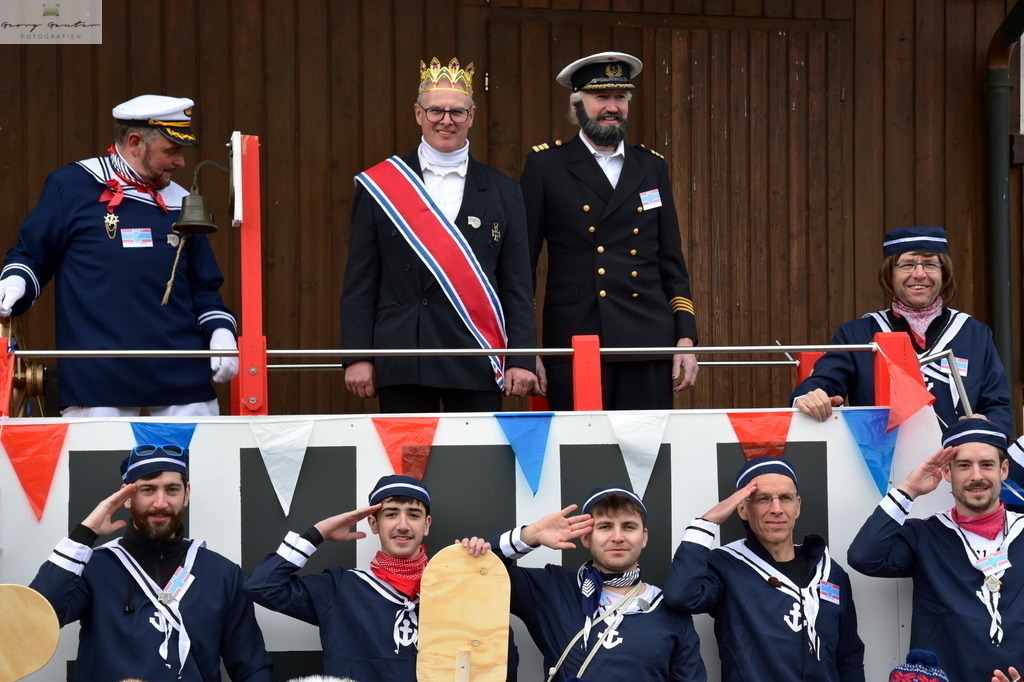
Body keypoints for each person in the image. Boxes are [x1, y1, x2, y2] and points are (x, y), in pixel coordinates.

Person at [0, 94, 238, 417]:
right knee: (98, 453)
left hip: (180, 378)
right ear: (135, 143)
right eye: (171, 151)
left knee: (199, 452)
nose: (181, 162)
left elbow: (204, 288)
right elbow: (32, 254)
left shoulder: (184, 202)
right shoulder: (71, 186)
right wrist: (16, 280)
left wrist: (221, 331)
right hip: (98, 380)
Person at [340, 57, 537, 412]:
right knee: (407, 451)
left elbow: (517, 285)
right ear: (418, 114)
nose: (446, 120)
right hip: (404, 355)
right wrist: (358, 355)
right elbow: (360, 280)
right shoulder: (380, 186)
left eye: (457, 112)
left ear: (471, 117)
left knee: (478, 451)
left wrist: (520, 357)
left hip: (477, 354)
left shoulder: (504, 191)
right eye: (435, 111)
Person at [520, 52, 699, 410]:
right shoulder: (546, 165)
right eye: (601, 97)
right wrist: (525, 348)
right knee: (579, 442)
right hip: (576, 335)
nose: (612, 107)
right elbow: (520, 265)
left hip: (647, 336)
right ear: (576, 105)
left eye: (620, 97)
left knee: (646, 440)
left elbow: (671, 261)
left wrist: (685, 336)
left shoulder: (651, 166)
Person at [29, 445, 272, 680]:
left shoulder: (222, 574)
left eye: (172, 490)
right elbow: (35, 621)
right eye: (148, 490)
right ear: (127, 497)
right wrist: (84, 534)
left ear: (186, 494)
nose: (160, 503)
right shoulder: (92, 568)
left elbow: (252, 668)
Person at [462, 486, 707, 681]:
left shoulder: (670, 610)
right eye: (605, 527)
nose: (618, 537)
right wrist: (531, 535)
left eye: (629, 527)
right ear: (586, 537)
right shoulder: (551, 589)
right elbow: (470, 576)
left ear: (644, 538)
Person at [792, 226, 1011, 437]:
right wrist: (810, 397)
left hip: (958, 459)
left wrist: (986, 429)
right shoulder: (856, 335)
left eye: (930, 264)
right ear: (890, 273)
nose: (919, 274)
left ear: (944, 273)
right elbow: (822, 384)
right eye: (907, 265)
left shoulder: (974, 334)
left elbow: (998, 407)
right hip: (880, 460)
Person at [848, 418, 1024, 681]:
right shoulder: (925, 535)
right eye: (964, 465)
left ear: (1004, 469)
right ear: (947, 473)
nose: (976, 476)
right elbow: (863, 557)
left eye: (987, 464)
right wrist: (909, 490)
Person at [664, 457, 864, 681]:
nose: (776, 509)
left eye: (785, 498)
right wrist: (706, 523)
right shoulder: (726, 565)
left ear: (798, 506)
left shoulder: (830, 572)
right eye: (763, 499)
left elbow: (849, 656)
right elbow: (680, 596)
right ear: (743, 509)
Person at [245, 475, 433, 680]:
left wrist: (462, 569)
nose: (403, 525)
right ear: (373, 523)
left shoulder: (449, 588)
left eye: (414, 515)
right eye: (391, 514)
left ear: (426, 524)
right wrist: (318, 533)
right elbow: (261, 586)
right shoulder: (340, 588)